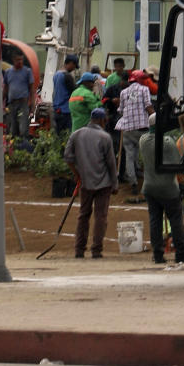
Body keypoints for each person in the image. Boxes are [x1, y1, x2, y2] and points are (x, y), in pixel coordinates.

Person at [64, 107, 118, 259]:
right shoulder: (105, 137)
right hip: (104, 183)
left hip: (85, 182)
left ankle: (79, 250)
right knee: (101, 217)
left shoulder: (76, 134)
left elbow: (68, 157)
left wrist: (77, 175)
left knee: (83, 215)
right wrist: (115, 184)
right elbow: (111, 163)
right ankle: (96, 250)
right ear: (101, 121)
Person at [139, 120, 184, 265]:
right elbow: (178, 167)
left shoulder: (143, 140)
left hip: (149, 187)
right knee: (175, 220)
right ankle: (181, 253)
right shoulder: (168, 142)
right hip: (168, 188)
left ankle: (158, 255)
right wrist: (182, 186)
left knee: (155, 221)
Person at [114, 69, 154, 195]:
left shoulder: (124, 92)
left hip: (127, 128)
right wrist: (156, 117)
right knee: (147, 156)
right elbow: (148, 107)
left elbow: (120, 110)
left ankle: (133, 183)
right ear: (141, 80)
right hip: (142, 128)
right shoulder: (144, 90)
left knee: (130, 156)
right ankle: (148, 183)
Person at [3, 51, 35, 140]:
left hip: (23, 104)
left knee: (23, 129)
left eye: (21, 59)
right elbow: (5, 89)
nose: (20, 62)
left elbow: (32, 91)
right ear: (13, 60)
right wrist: (2, 103)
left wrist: (32, 105)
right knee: (12, 130)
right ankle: (13, 151)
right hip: (12, 104)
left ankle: (24, 147)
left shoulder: (27, 72)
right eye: (17, 60)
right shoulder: (8, 72)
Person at [52, 55, 79, 134]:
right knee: (67, 135)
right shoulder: (67, 76)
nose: (74, 69)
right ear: (70, 63)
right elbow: (74, 91)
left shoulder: (56, 74)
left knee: (58, 135)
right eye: (74, 66)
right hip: (65, 110)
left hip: (56, 109)